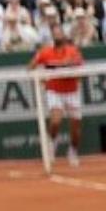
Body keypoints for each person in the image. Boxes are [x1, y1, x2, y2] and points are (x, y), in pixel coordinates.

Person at [30, 28, 85, 169]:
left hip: (72, 91)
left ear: (64, 36)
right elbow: (31, 67)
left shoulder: (73, 52)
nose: (58, 36)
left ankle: (72, 151)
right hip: (54, 90)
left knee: (76, 127)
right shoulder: (45, 52)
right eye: (55, 34)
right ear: (52, 36)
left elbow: (82, 71)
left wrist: (74, 76)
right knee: (55, 120)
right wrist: (41, 79)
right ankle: (51, 143)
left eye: (60, 33)